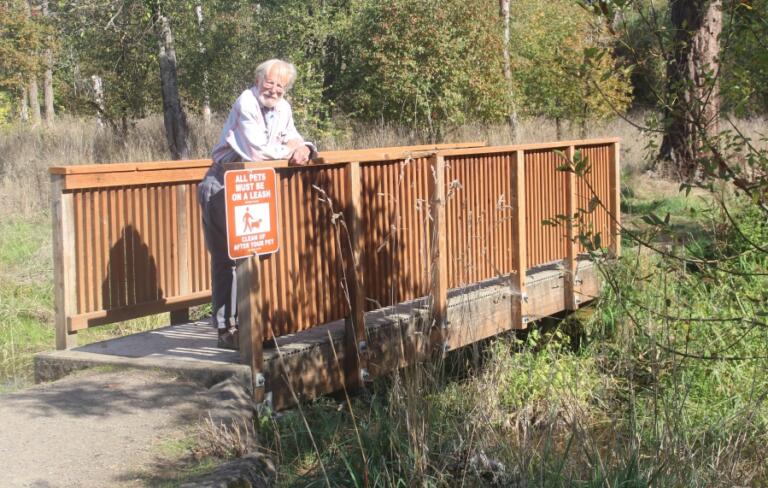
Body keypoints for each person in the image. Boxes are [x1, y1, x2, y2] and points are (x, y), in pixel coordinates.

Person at [198, 59, 317, 349]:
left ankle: (253, 327)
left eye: (281, 85)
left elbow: (291, 137)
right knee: (227, 259)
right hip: (223, 183)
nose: (275, 90)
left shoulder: (283, 108)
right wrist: (289, 153)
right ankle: (226, 330)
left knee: (257, 254)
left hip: (253, 187)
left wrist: (305, 147)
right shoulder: (246, 102)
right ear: (258, 79)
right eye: (271, 82)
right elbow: (257, 150)